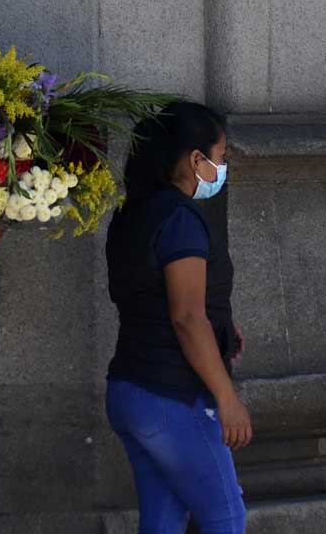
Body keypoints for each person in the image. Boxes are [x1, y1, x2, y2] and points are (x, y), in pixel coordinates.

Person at [105, 102, 251, 534]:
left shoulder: (134, 212)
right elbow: (187, 317)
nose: (222, 168)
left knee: (164, 518)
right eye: (220, 158)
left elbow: (151, 297)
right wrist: (227, 398)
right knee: (225, 516)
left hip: (130, 388)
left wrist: (222, 328)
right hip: (173, 395)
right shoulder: (181, 218)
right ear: (195, 160)